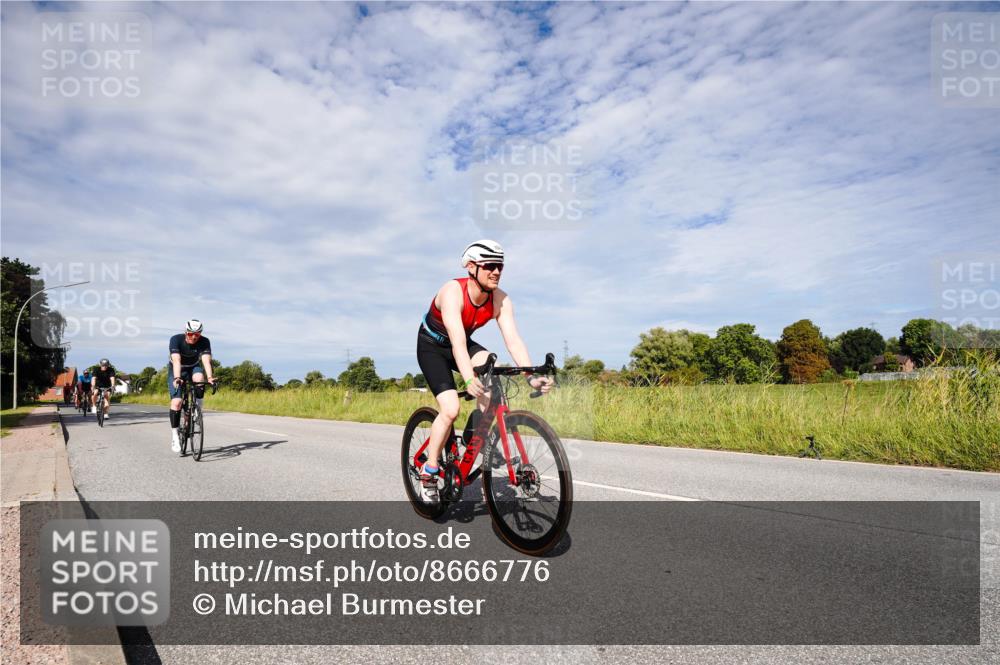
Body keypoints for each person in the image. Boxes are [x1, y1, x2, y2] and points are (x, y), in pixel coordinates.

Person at [416, 239, 552, 503]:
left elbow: (513, 340)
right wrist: (469, 379)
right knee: (450, 409)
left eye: (500, 266)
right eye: (490, 265)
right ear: (471, 267)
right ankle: (429, 471)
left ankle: (472, 434)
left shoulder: (500, 299)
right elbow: (457, 342)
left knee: (493, 370)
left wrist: (531, 377)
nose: (496, 271)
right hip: (433, 346)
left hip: (461, 343)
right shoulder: (452, 291)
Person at [168, 319, 216, 452]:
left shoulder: (204, 341)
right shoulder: (176, 340)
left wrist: (210, 377)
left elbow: (206, 361)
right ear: (186, 332)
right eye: (191, 334)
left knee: (200, 378)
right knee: (177, 402)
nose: (194, 337)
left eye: (197, 334)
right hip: (177, 369)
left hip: (193, 367)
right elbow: (176, 360)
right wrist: (177, 377)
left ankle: (197, 408)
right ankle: (175, 436)